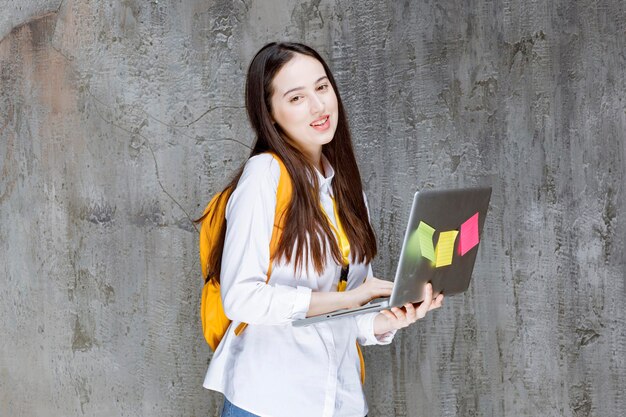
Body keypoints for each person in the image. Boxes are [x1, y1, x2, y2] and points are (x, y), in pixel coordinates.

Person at [201, 42, 444, 417]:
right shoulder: (264, 175)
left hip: (340, 402)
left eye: (322, 87)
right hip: (268, 403)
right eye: (296, 97)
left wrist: (389, 317)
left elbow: (351, 312)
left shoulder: (344, 189)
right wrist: (348, 300)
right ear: (270, 113)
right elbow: (241, 297)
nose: (318, 106)